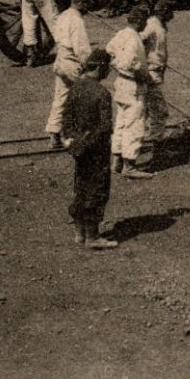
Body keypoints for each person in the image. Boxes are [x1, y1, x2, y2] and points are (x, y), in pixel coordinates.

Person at [60, 48, 119, 249]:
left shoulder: (76, 87)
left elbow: (66, 117)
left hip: (79, 149)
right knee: (97, 190)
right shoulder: (102, 93)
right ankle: (93, 237)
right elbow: (104, 127)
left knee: (81, 187)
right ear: (101, 68)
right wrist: (89, 143)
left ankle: (79, 233)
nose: (109, 72)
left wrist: (74, 143)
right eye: (108, 68)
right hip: (96, 150)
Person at [106, 6, 155, 179]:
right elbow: (131, 64)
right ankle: (130, 165)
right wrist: (145, 77)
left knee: (120, 123)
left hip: (120, 83)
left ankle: (117, 162)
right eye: (145, 22)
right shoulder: (134, 40)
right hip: (134, 85)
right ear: (140, 21)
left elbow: (109, 52)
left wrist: (116, 66)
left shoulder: (121, 34)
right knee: (134, 125)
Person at [47, 0, 94, 150]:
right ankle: (80, 134)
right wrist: (90, 65)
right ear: (83, 2)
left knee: (60, 97)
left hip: (60, 59)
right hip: (71, 63)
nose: (88, 8)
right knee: (87, 96)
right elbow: (82, 49)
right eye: (88, 3)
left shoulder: (63, 16)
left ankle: (54, 133)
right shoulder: (77, 20)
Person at [140, 0, 174, 143]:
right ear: (163, 12)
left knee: (149, 104)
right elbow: (139, 40)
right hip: (151, 70)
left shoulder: (158, 24)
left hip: (156, 69)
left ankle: (147, 131)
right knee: (157, 106)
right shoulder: (152, 25)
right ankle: (156, 134)